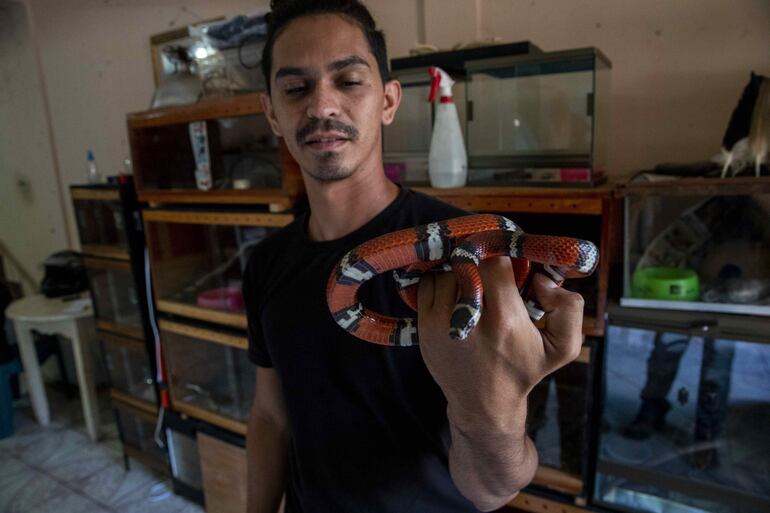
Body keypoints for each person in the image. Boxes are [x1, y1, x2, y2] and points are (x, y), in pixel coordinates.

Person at [243, 1, 586, 511]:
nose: (321, 106)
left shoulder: (468, 251)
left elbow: (496, 488)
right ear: (272, 111)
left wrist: (488, 412)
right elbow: (271, 415)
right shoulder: (266, 262)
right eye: (295, 88)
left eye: (349, 81)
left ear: (388, 99)